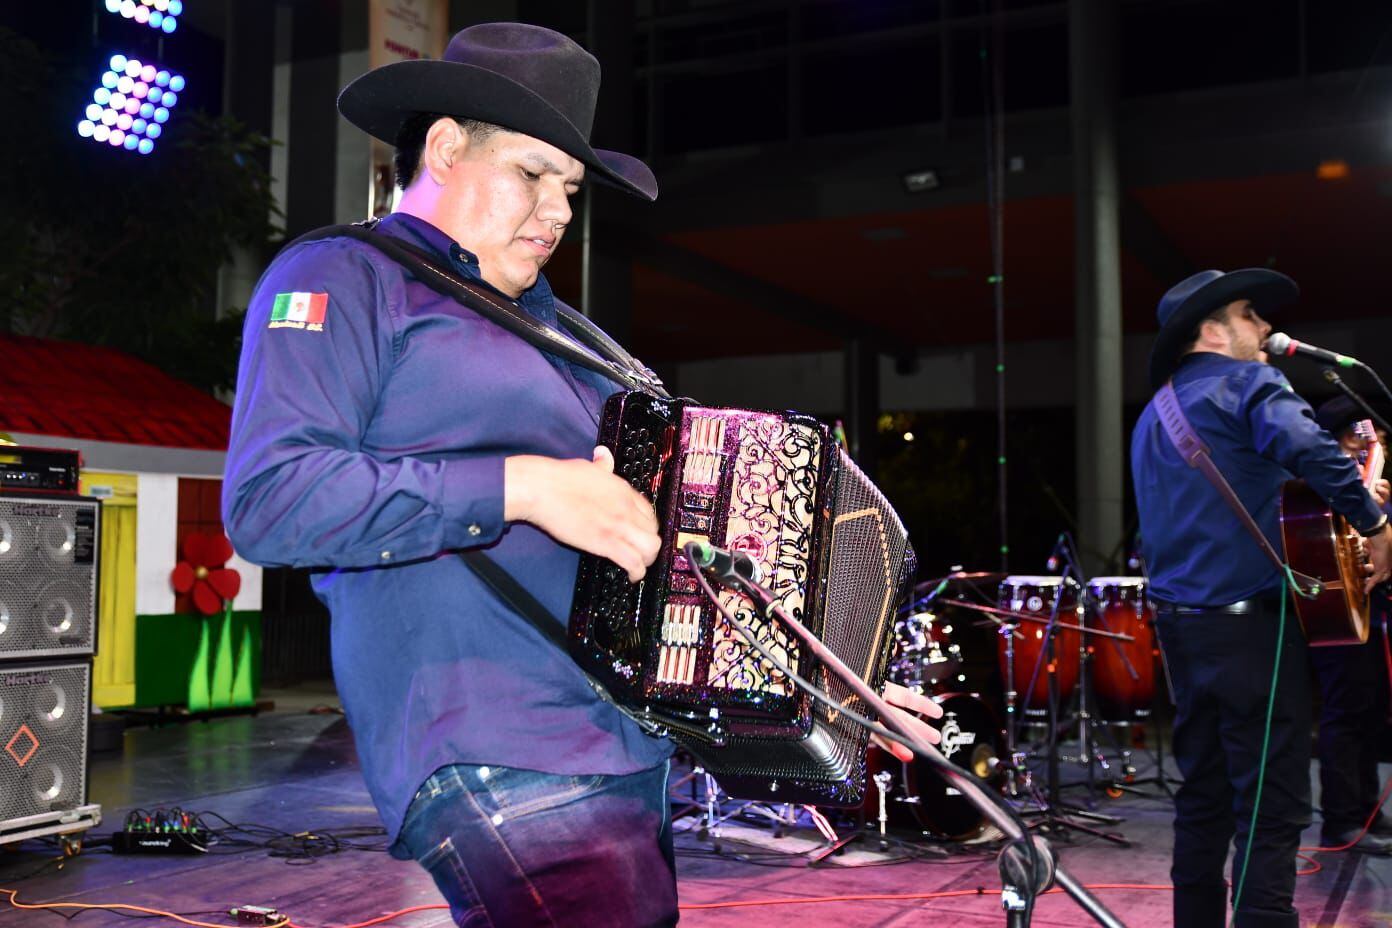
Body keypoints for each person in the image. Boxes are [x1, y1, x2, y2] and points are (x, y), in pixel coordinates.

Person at [222, 22, 940, 927]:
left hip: (625, 747)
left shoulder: (583, 345)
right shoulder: (346, 275)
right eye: (531, 174)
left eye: (569, 188)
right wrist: (525, 485)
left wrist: (837, 690)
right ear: (444, 146)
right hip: (492, 735)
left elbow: (687, 563)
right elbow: (271, 501)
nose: (559, 211)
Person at [1130, 268, 1392, 928]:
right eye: (1251, 315)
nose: (1268, 328)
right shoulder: (1248, 381)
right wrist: (1375, 524)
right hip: (1256, 631)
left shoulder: (1151, 416)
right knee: (1271, 804)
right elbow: (1311, 449)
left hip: (1182, 631)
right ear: (1212, 331)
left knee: (1205, 797)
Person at [1308, 395, 1392, 853]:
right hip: (1337, 608)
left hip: (1370, 606)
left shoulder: (1372, 481)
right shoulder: (1322, 482)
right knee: (1345, 711)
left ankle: (1367, 812)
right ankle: (1342, 820)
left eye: (1374, 437)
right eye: (1353, 437)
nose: (1367, 444)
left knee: (1370, 710)